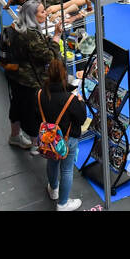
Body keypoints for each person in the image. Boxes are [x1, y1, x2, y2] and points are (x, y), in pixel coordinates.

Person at [0, 0, 59, 148]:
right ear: (32, 15)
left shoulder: (13, 26)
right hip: (30, 80)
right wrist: (56, 38)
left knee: (16, 105)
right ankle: (36, 145)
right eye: (42, 12)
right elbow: (49, 57)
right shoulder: (31, 35)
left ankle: (14, 136)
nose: (45, 14)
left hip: (13, 74)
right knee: (33, 113)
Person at [37, 56, 88, 211]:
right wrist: (80, 102)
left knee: (51, 162)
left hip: (48, 140)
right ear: (64, 74)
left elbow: (37, 115)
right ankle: (63, 203)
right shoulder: (70, 99)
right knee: (66, 169)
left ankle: (53, 189)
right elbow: (81, 119)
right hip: (67, 140)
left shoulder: (40, 94)